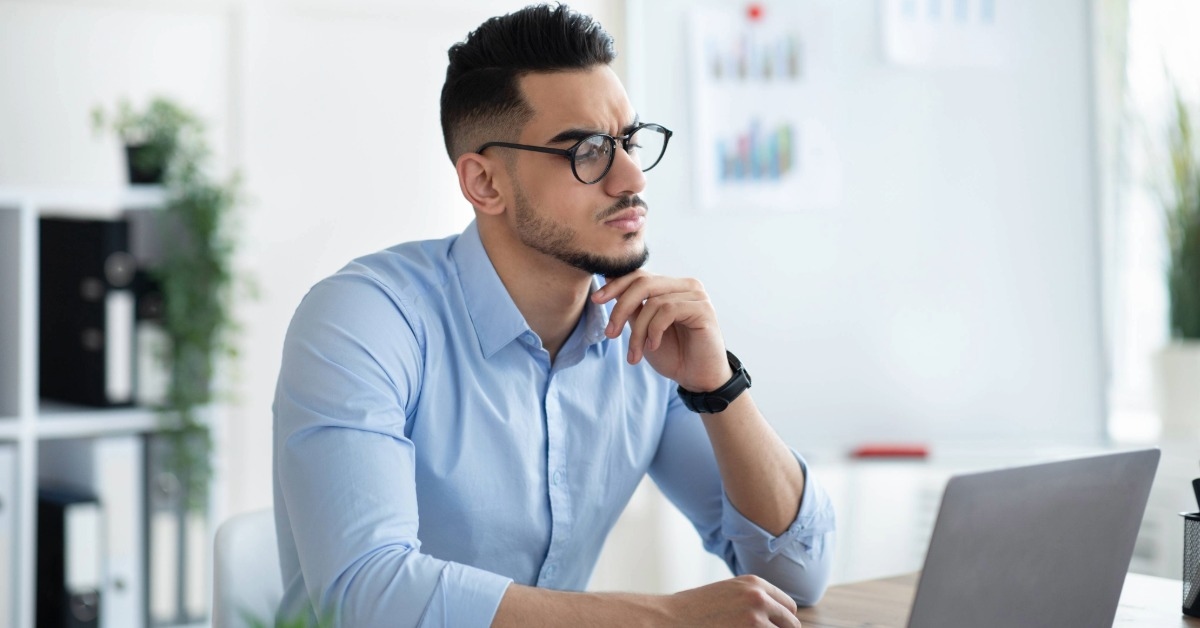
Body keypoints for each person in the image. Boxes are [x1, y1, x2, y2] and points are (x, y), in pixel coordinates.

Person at [272, 4, 835, 626]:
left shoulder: (645, 332)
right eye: (588, 150)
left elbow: (798, 575)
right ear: (485, 183)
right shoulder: (364, 321)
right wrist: (664, 620)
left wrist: (718, 387)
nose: (629, 178)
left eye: (630, 142)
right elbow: (366, 594)